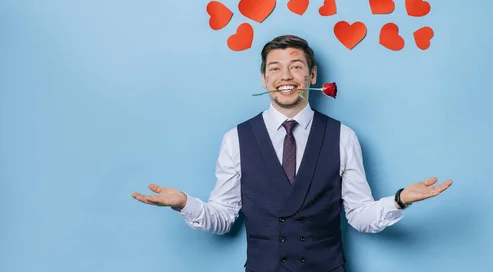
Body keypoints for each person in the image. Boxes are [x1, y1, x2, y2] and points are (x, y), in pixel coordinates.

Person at [132, 34, 452, 271]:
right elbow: (223, 218)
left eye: (296, 67)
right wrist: (184, 204)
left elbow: (359, 216)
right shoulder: (235, 139)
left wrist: (400, 200)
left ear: (312, 77)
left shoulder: (344, 136)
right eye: (275, 68)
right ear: (265, 78)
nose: (285, 76)